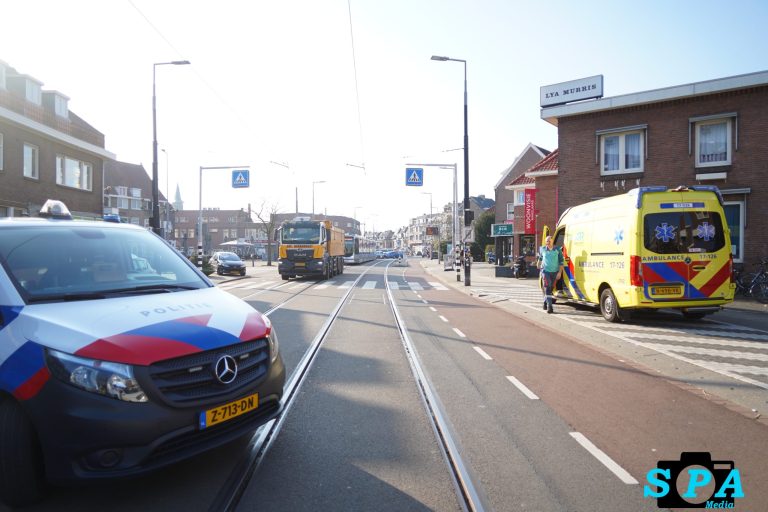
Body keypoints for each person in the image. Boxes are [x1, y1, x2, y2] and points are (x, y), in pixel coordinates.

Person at [538, 235, 564, 314]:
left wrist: (559, 272)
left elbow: (561, 262)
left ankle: (545, 302)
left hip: (555, 272)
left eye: (549, 241)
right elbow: (540, 258)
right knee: (547, 288)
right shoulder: (543, 249)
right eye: (546, 241)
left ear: (552, 241)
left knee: (551, 288)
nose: (547, 243)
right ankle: (550, 307)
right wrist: (538, 264)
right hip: (545, 272)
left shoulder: (557, 250)